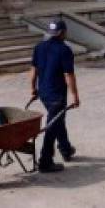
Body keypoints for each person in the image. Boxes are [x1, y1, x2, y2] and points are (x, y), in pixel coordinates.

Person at [29, 18, 80, 173]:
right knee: (52, 125)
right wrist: (75, 95)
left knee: (57, 120)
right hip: (57, 95)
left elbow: (34, 70)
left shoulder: (39, 47)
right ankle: (45, 161)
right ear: (63, 33)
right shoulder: (64, 50)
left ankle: (65, 149)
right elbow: (68, 75)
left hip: (44, 93)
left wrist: (33, 88)